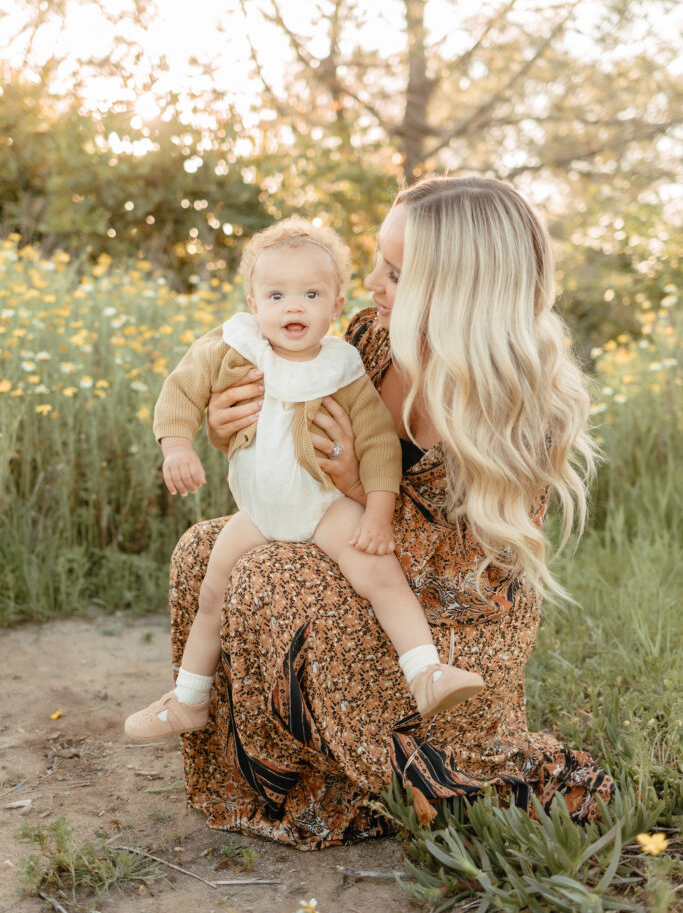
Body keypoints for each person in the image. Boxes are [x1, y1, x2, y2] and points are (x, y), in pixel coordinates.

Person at [165, 176, 613, 849]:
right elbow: (286, 443)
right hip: (357, 563)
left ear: (458, 291)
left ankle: (432, 768)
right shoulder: (368, 340)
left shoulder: (519, 409)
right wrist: (233, 426)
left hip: (448, 624)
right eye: (378, 259)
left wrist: (353, 483)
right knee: (208, 548)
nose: (370, 282)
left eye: (395, 273)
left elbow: (467, 579)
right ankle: (274, 780)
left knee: (273, 575)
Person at [125, 218, 483, 741]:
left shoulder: (344, 367)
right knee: (213, 591)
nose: (293, 307)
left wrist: (379, 511)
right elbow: (181, 390)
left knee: (379, 574)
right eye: (276, 295)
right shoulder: (234, 347)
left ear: (335, 305)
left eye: (310, 293)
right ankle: (188, 699)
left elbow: (380, 444)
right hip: (258, 514)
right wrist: (179, 444)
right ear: (253, 302)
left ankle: (425, 672)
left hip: (326, 507)